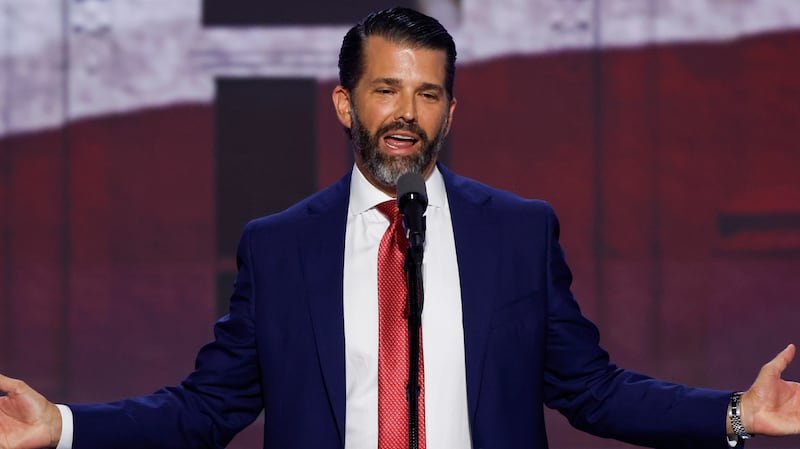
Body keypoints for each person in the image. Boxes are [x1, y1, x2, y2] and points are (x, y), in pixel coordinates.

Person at [1, 6, 799, 449]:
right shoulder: (279, 246)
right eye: (387, 90)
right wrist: (65, 426)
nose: (406, 115)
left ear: (451, 109)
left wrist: (734, 413)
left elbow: (592, 389)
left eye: (428, 95)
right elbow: (205, 408)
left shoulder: (518, 232)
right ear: (346, 103)